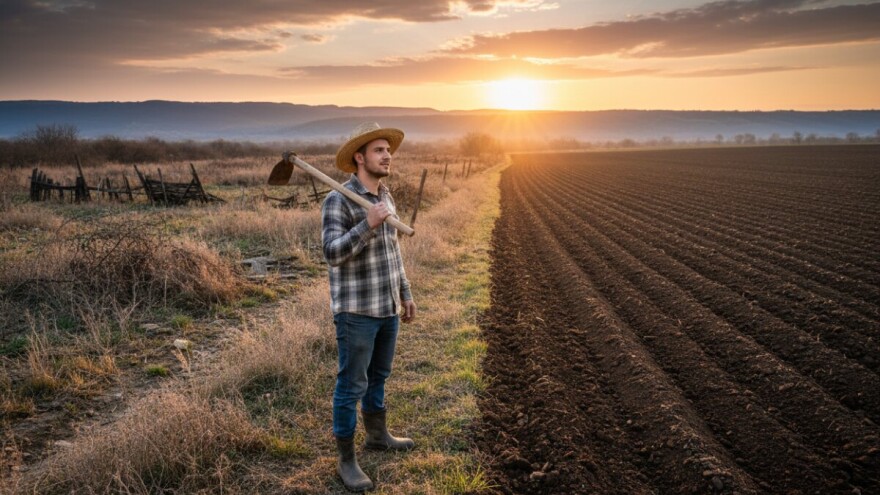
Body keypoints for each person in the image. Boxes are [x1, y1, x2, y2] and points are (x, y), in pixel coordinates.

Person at [322, 122, 417, 492]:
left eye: (388, 150)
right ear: (359, 158)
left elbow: (394, 255)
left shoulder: (385, 197)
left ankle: (378, 436)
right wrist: (367, 225)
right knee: (351, 385)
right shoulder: (338, 200)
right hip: (357, 312)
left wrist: (405, 293)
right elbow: (331, 254)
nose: (387, 155)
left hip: (387, 307)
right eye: (379, 150)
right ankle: (347, 460)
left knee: (379, 377)